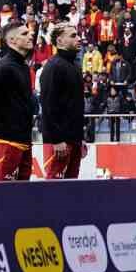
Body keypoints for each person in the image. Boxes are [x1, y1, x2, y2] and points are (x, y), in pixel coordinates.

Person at [0, 21, 37, 181]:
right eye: (24, 33)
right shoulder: (3, 68)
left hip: (23, 139)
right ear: (11, 41)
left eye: (29, 32)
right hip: (5, 141)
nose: (31, 35)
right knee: (2, 196)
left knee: (21, 195)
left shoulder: (23, 66)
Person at [40, 24, 86, 179]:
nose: (79, 38)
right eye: (73, 36)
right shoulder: (54, 66)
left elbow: (75, 106)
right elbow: (48, 106)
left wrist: (80, 138)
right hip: (59, 142)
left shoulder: (75, 66)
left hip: (74, 139)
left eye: (78, 35)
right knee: (54, 188)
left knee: (71, 189)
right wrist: (57, 140)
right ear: (59, 41)